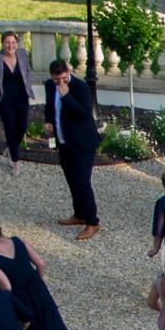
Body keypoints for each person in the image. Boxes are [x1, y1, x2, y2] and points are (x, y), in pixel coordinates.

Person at [45, 59, 101, 240]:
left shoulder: (80, 87)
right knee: (71, 179)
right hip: (64, 142)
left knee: (82, 181)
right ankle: (79, 214)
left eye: (62, 78)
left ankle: (92, 221)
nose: (59, 83)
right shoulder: (49, 86)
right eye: (56, 80)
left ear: (68, 72)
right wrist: (48, 121)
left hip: (83, 142)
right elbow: (50, 107)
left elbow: (85, 113)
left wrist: (66, 96)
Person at [0, 31, 34, 176]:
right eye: (7, 42)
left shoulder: (22, 54)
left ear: (16, 43)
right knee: (10, 128)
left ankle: (11, 147)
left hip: (22, 97)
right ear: (2, 43)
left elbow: (29, 71)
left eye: (13, 42)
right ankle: (15, 161)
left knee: (22, 127)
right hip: (4, 100)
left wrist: (28, 85)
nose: (10, 45)